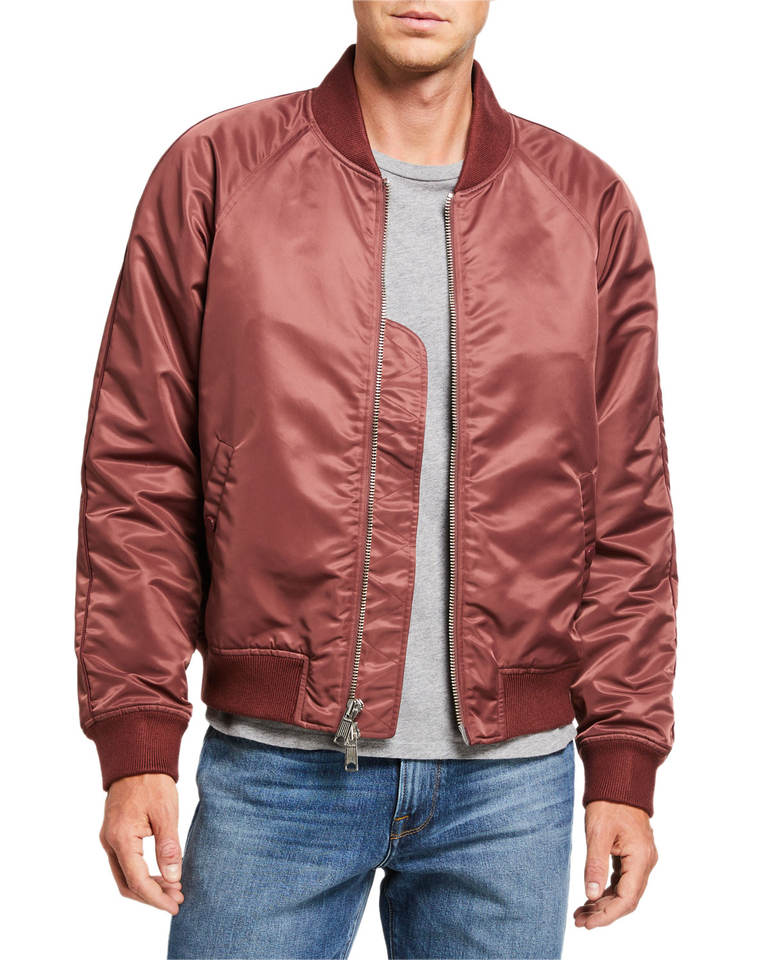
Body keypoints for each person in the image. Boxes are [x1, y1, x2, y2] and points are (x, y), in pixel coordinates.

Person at [74, 3, 678, 958]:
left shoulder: (585, 204)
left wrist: (624, 759)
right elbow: (140, 470)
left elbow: (628, 504)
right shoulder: (219, 173)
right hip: (275, 772)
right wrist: (136, 733)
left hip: (513, 793)